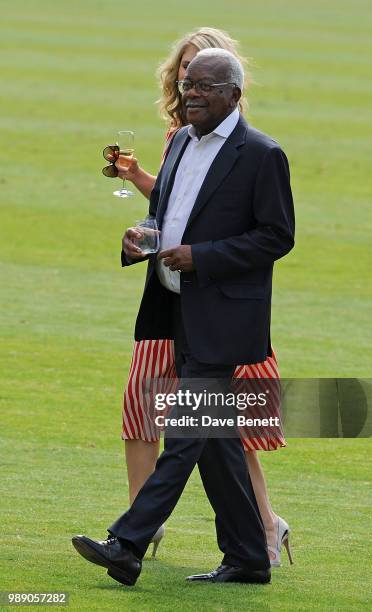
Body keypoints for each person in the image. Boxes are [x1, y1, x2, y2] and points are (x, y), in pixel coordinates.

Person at [72, 48, 295, 586]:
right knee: (215, 440)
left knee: (188, 429)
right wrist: (140, 239)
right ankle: (246, 556)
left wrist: (204, 256)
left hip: (223, 318)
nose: (191, 93)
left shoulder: (261, 154)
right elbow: (163, 212)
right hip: (173, 308)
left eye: (204, 86)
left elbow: (277, 236)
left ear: (234, 96)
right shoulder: (178, 145)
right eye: (187, 84)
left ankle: (127, 542)